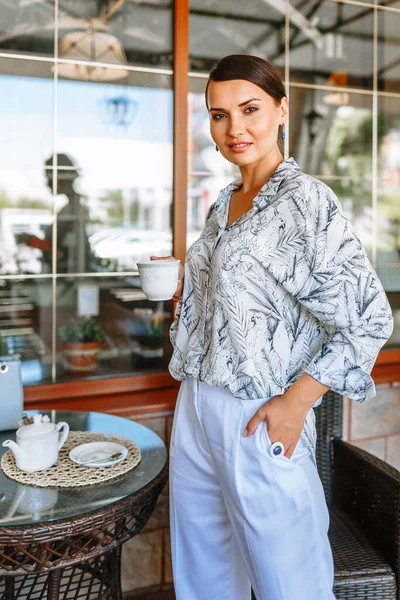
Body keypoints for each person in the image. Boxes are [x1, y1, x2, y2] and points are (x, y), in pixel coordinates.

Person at [153, 54, 394, 600]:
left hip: (258, 410)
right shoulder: (224, 204)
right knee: (206, 578)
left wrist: (299, 402)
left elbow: (368, 317)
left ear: (282, 111)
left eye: (250, 109)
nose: (234, 128)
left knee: (292, 585)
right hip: (194, 403)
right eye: (219, 115)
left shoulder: (305, 201)